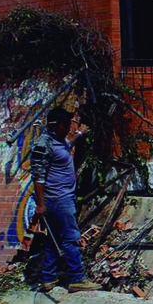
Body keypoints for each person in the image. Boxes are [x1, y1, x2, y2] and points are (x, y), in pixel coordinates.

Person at [30, 106, 99, 292]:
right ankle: (77, 278)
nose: (69, 128)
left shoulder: (58, 141)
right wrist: (41, 204)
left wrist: (79, 134)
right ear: (57, 125)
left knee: (54, 240)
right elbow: (38, 176)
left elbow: (67, 146)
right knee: (70, 238)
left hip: (62, 198)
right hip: (58, 200)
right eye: (67, 125)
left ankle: (48, 278)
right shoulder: (44, 145)